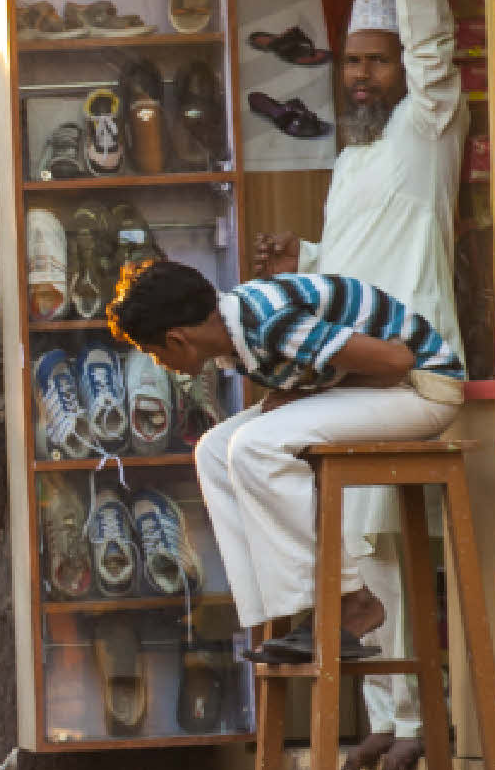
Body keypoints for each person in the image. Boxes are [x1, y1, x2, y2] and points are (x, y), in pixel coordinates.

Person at [253, 0, 469, 719]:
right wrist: (300, 263)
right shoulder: (353, 160)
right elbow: (355, 262)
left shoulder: (429, 129)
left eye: (378, 61)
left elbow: (428, 34)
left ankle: (412, 721)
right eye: (353, 63)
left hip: (410, 369)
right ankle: (389, 718)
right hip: (354, 365)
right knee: (356, 540)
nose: (365, 76)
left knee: (385, 544)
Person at [107, 256, 463, 663]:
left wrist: (308, 394)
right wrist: (311, 392)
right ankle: (280, 609)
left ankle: (352, 602)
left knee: (255, 445)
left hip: (424, 388)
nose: (158, 364)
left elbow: (396, 361)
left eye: (153, 353)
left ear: (176, 340)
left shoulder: (268, 323)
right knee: (214, 451)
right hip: (384, 388)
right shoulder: (234, 327)